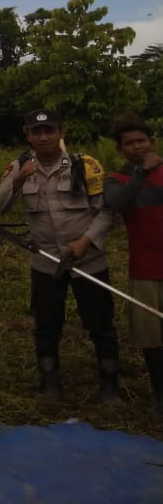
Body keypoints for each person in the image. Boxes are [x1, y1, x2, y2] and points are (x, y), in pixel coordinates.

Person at [0, 108, 117, 401]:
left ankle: (110, 384)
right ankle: (50, 384)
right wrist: (20, 178)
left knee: (100, 324)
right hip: (45, 262)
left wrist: (86, 241)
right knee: (46, 324)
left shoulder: (83, 165)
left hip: (88, 260)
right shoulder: (18, 166)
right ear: (28, 136)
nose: (44, 137)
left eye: (50, 130)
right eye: (37, 132)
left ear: (61, 133)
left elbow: (105, 212)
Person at [104, 115, 163, 414]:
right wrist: (141, 173)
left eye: (141, 140)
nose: (137, 146)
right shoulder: (118, 179)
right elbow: (118, 205)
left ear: (151, 142)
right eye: (129, 143)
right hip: (144, 268)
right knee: (151, 338)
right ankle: (159, 394)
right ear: (120, 150)